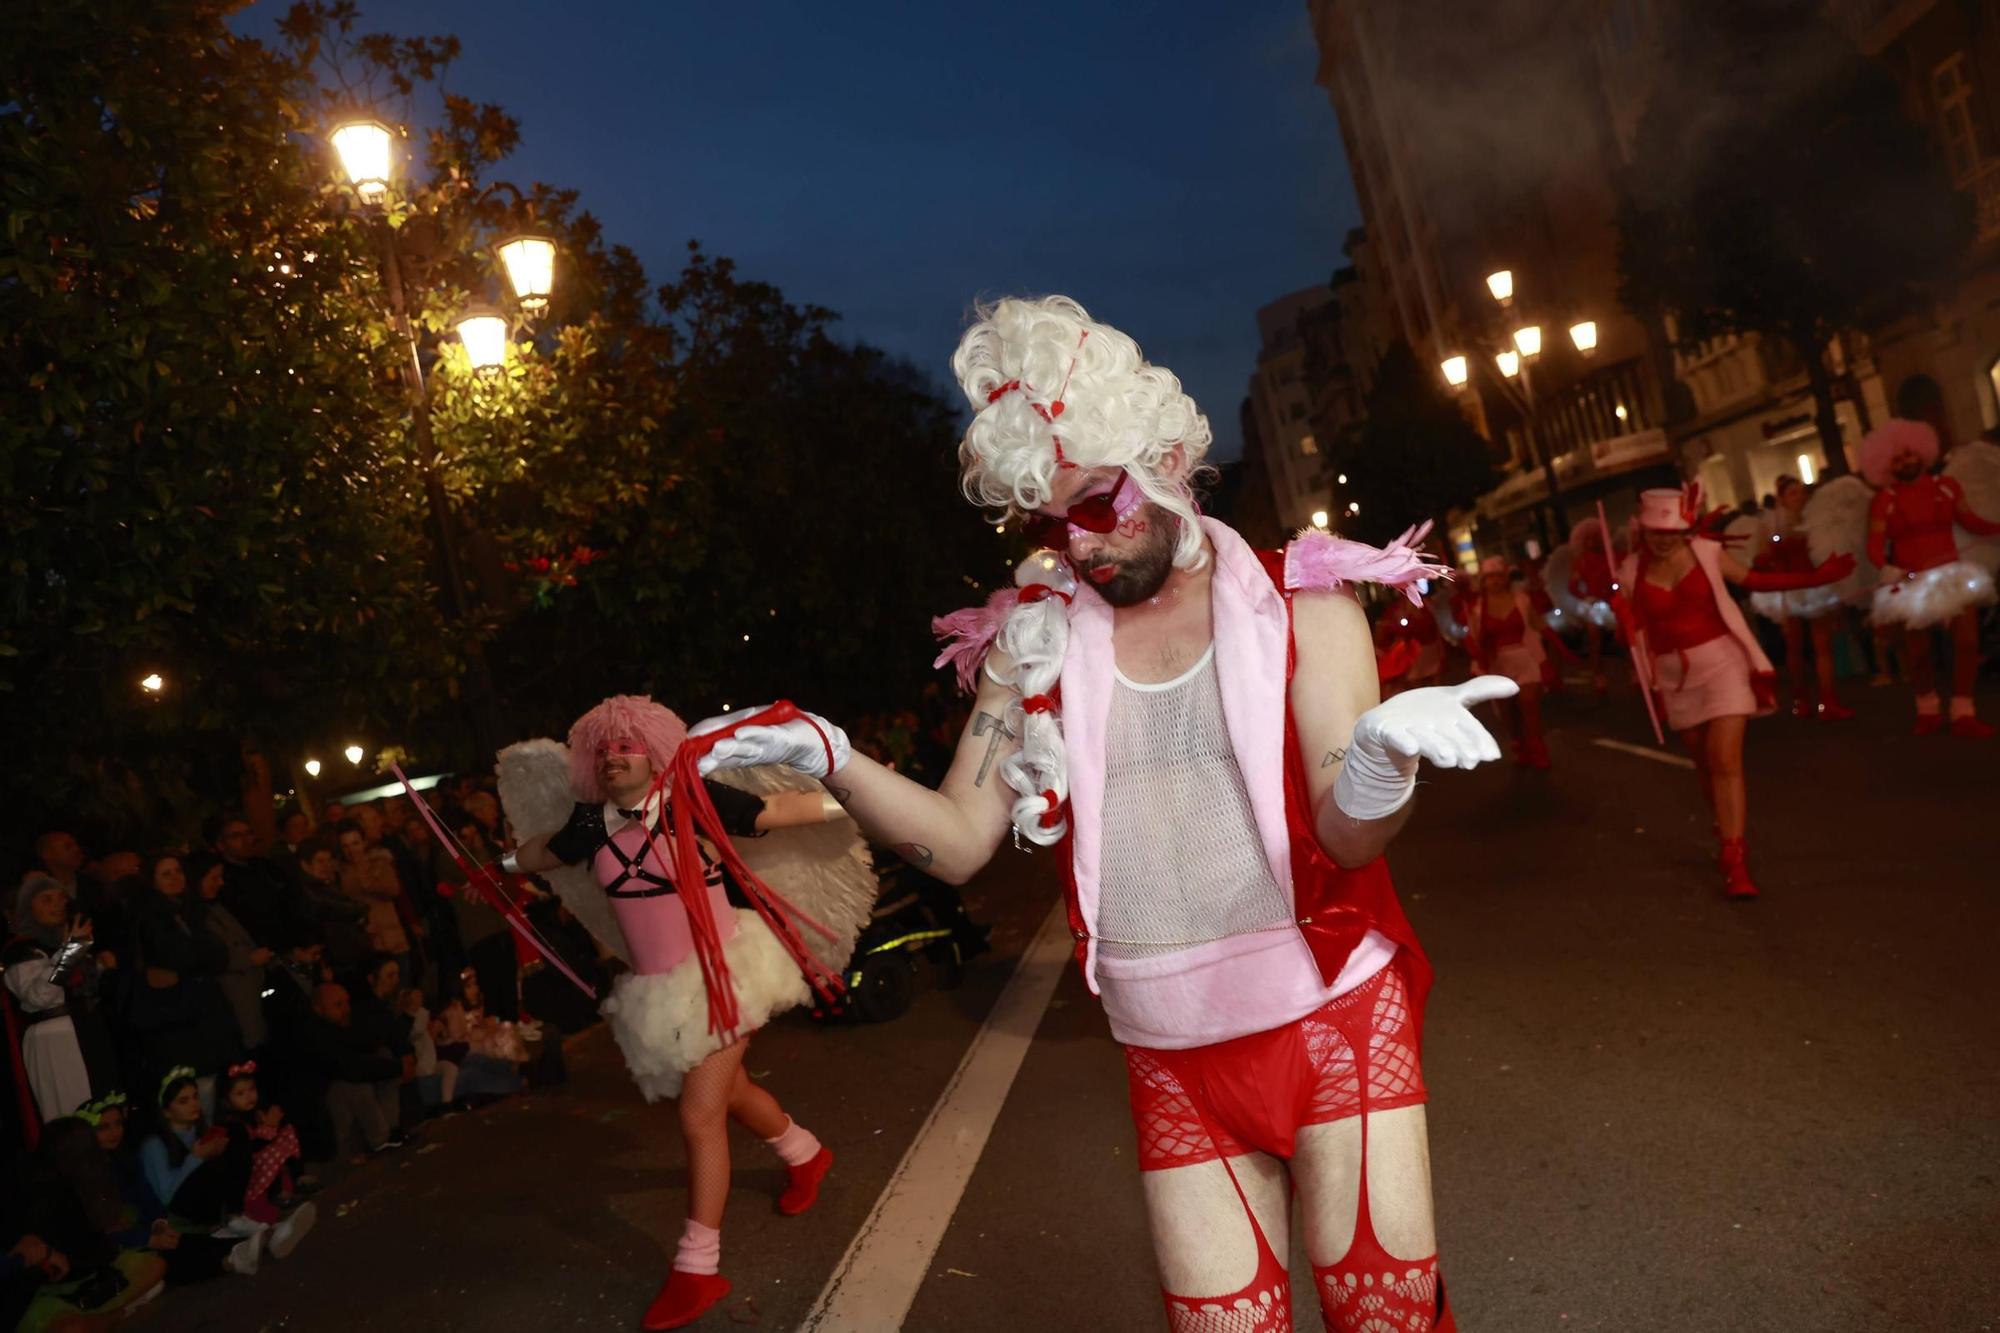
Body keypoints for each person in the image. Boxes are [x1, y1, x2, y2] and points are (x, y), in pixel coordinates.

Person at [695, 296, 1518, 1332]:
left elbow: (1345, 836)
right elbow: (955, 845)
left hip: (1331, 1017)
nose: (1075, 549)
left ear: (1164, 453)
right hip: (1164, 1046)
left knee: (1386, 1323)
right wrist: (831, 754)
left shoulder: (1300, 602)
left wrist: (1378, 761)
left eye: (1092, 505)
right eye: (1043, 522)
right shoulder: (1034, 646)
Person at [506, 695, 849, 1330]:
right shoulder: (590, 822)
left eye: (626, 747)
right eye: (603, 751)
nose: (613, 759)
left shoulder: (690, 798)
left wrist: (869, 799)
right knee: (733, 1092)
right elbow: (544, 852)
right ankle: (805, 1154)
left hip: (725, 977)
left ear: (654, 750)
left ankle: (698, 1268)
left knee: (699, 1114)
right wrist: (497, 868)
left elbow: (774, 810)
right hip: (659, 989)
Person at [1615, 486, 1852, 897]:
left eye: (1672, 530)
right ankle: (1726, 829)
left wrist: (1816, 578)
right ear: (1643, 530)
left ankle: (1735, 857)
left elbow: (1752, 579)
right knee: (1705, 765)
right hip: (1674, 676)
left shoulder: (1707, 552)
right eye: (1656, 530)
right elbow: (1633, 631)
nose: (1664, 537)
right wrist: (1623, 615)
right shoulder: (1630, 570)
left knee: (1724, 758)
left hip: (1723, 665)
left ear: (1686, 527)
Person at [1860, 420, 2000, 736]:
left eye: (1909, 454)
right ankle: (1927, 709)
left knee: (1967, 643)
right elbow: (1874, 545)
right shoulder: (1885, 500)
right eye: (1896, 459)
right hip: (1910, 583)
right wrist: (1888, 567)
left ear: (1923, 453)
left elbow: (1971, 521)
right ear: (1885, 466)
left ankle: (1964, 711)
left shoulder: (1948, 487)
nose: (1906, 461)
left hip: (1951, 576)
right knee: (1919, 653)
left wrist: (1998, 528)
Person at [127, 855, 242, 1097]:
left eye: (178, 871)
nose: (175, 878)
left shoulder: (190, 910)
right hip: (179, 1018)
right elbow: (179, 957)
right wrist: (199, 958)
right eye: (166, 874)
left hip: (204, 1011)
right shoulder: (150, 917)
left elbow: (220, 956)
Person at [5, 875, 115, 1121]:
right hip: (55, 1041)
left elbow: (82, 989)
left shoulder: (63, 943)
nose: (57, 905)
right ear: (28, 907)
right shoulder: (21, 950)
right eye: (47, 899)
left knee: (101, 1110)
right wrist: (72, 950)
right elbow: (40, 995)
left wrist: (97, 965)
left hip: (86, 1032)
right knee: (71, 1115)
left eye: (60, 898)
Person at [1745, 475, 1854, 721]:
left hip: (1815, 585)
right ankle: (1800, 700)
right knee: (1794, 647)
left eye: (1801, 492)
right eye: (1793, 493)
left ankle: (1828, 701)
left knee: (1822, 646)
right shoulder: (1771, 525)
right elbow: (1762, 557)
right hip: (1789, 588)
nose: (1799, 497)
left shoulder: (1817, 520)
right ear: (1782, 498)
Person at [1464, 555, 1564, 768]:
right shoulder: (1477, 610)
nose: (1495, 581)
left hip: (1525, 659)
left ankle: (1538, 750)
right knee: (1508, 711)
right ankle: (1519, 745)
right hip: (1498, 666)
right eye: (1490, 577)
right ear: (1483, 581)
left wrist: (1559, 648)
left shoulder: (1521, 599)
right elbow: (1473, 640)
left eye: (1499, 576)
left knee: (1528, 704)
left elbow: (1539, 625)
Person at [191, 853, 272, 1051]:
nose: (220, 883)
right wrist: (249, 959)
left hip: (248, 986)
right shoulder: (197, 915)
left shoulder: (216, 907)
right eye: (214, 878)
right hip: (234, 991)